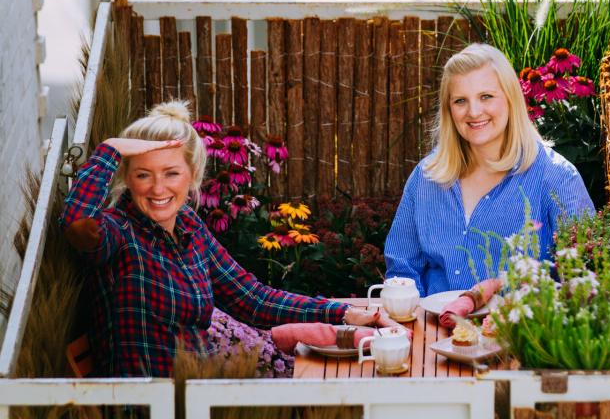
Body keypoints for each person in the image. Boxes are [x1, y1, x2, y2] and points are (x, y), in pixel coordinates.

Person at [60, 101, 387, 377]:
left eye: (171, 172)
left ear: (192, 174)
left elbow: (253, 299)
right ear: (127, 178)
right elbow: (75, 223)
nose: (158, 189)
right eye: (143, 174)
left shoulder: (188, 227)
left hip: (199, 395)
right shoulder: (119, 233)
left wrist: (341, 313)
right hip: (150, 408)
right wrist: (110, 151)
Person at [385, 43, 595, 296]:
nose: (473, 112)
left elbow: (582, 278)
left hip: (518, 331)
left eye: (486, 97)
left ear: (510, 98)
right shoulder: (427, 176)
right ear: (448, 110)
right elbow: (402, 271)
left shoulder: (557, 177)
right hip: (435, 329)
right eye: (460, 101)